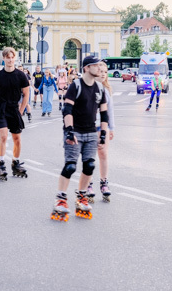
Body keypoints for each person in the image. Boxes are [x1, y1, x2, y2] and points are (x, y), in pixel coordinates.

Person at [50, 56, 108, 222]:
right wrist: (69, 131)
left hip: (91, 132)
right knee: (70, 166)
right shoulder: (76, 86)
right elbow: (67, 110)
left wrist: (102, 133)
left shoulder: (100, 88)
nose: (99, 68)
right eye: (95, 66)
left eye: (99, 65)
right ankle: (60, 198)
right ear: (86, 68)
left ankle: (81, 196)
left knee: (89, 166)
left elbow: (104, 113)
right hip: (75, 132)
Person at [0, 47, 30, 180]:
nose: (10, 59)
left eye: (12, 57)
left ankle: (16, 162)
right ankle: (1, 163)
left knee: (17, 139)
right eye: (7, 57)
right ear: (3, 59)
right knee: (3, 136)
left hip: (14, 108)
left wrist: (21, 111)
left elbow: (26, 94)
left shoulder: (21, 75)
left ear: (15, 58)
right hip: (0, 108)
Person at [85, 61, 115, 203]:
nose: (103, 74)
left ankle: (104, 183)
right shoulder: (88, 88)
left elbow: (110, 111)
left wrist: (111, 128)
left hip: (102, 127)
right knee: (90, 157)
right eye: (100, 71)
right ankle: (88, 184)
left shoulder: (107, 90)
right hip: (89, 127)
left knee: (103, 154)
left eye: (105, 72)